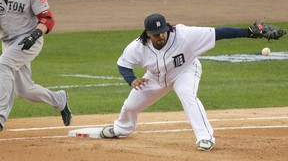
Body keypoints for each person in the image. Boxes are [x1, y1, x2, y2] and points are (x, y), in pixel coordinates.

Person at [99, 14, 286, 150]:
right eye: (156, 34)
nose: (161, 36)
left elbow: (218, 33)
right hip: (155, 77)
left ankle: (205, 138)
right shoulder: (137, 47)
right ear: (147, 33)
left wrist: (248, 32)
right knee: (131, 105)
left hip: (185, 71)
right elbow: (123, 65)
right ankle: (121, 128)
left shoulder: (184, 35)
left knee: (187, 94)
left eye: (163, 32)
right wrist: (131, 80)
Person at [0, 0, 72, 132]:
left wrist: (34, 36)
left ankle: (0, 116)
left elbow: (48, 19)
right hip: (9, 41)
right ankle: (59, 100)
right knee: (25, 90)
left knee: (3, 65)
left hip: (29, 39)